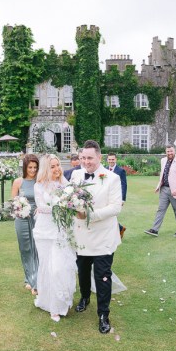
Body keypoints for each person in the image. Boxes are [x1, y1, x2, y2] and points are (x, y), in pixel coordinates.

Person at [71, 140, 123, 334]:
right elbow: (69, 197)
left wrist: (90, 216)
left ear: (99, 157)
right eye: (83, 157)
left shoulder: (112, 178)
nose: (86, 162)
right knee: (82, 271)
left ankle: (103, 314)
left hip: (103, 237)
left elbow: (116, 207)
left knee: (102, 275)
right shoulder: (76, 175)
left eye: (90, 158)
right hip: (81, 235)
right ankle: (84, 297)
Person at [32, 154, 76, 322]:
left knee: (60, 267)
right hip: (44, 232)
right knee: (47, 267)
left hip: (61, 231)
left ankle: (60, 303)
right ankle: (50, 304)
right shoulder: (39, 186)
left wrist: (67, 205)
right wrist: (60, 206)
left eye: (58, 165)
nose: (57, 169)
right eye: (53, 166)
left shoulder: (65, 184)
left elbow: (73, 200)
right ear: (46, 168)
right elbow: (41, 207)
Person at [144, 144, 176, 237]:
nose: (169, 153)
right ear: (166, 152)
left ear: (174, 151)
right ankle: (154, 230)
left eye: (171, 151)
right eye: (168, 151)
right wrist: (158, 186)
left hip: (175, 190)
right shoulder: (163, 160)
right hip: (164, 189)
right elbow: (163, 174)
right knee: (160, 209)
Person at [11, 154, 39, 294]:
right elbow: (14, 203)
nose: (33, 170)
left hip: (38, 219)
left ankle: (37, 279)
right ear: (25, 167)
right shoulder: (18, 182)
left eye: (35, 167)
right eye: (30, 167)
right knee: (25, 249)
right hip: (22, 219)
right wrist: (20, 211)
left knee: (37, 249)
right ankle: (29, 278)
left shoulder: (40, 181)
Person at [106, 153, 127, 238]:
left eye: (112, 159)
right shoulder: (105, 169)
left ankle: (118, 230)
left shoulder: (120, 171)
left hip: (116, 197)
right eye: (109, 159)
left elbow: (124, 185)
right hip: (106, 196)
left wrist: (122, 199)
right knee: (108, 216)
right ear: (107, 160)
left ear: (116, 160)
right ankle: (120, 228)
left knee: (111, 215)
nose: (111, 161)